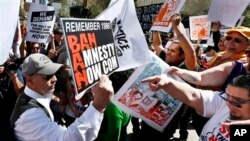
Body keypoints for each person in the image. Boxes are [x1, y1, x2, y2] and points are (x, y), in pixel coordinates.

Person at [10, 53, 114, 141]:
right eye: (47, 76)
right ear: (29, 80)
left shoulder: (36, 95)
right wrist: (97, 107)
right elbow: (65, 139)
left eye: (54, 73)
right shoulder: (30, 116)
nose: (54, 78)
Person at [141, 74, 250, 141]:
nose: (229, 104)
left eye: (237, 101)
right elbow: (193, 96)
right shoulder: (223, 102)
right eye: (228, 96)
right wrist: (168, 83)